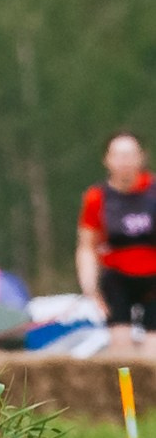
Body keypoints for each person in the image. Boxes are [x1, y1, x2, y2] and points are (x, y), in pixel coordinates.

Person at [77, 132, 156, 330]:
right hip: (117, 279)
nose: (125, 162)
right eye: (119, 156)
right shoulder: (96, 197)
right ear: (107, 159)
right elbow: (87, 246)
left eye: (130, 155)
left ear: (141, 156)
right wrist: (90, 288)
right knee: (120, 342)